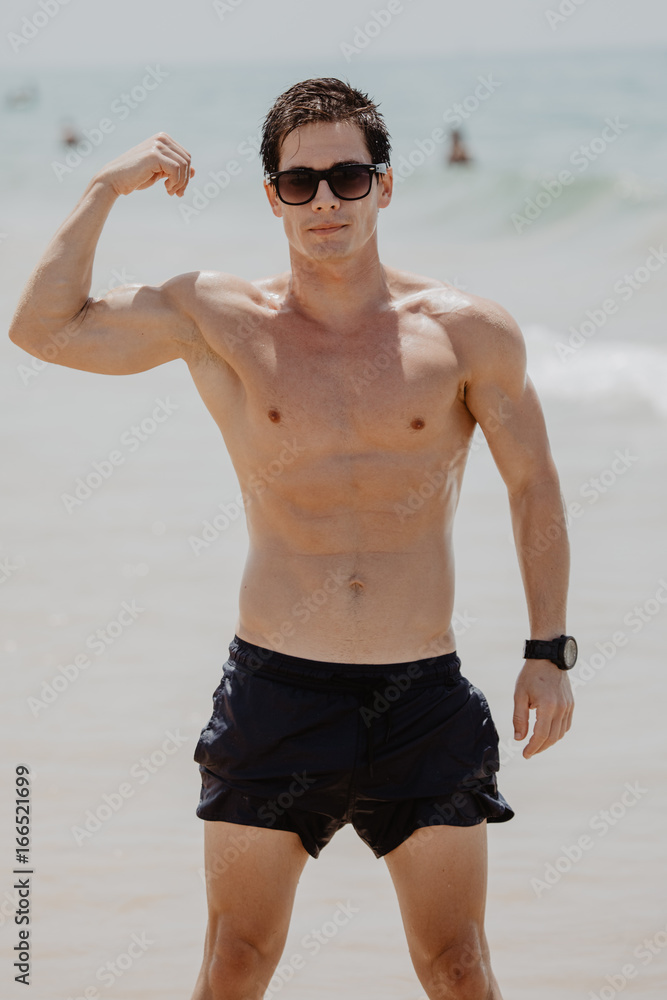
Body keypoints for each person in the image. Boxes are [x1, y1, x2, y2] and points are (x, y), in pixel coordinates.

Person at [9, 77, 575, 1000]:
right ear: (271, 193)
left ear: (384, 187)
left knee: (458, 967)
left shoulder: (467, 333)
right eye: (301, 182)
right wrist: (105, 188)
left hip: (419, 694)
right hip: (276, 687)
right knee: (235, 963)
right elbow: (40, 329)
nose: (325, 202)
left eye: (348, 178)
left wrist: (548, 650)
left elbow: (533, 485)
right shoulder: (221, 319)